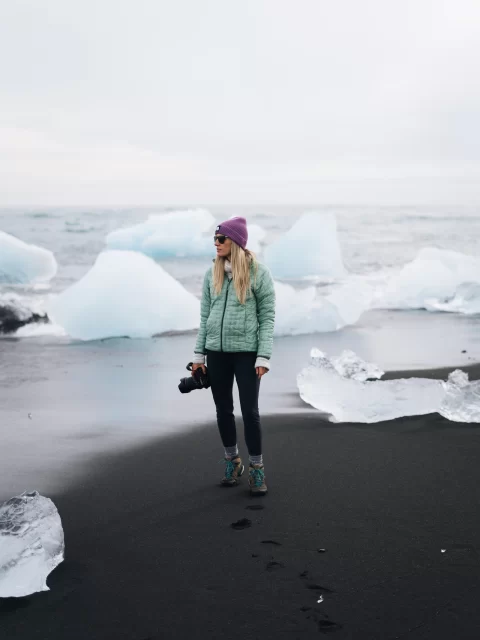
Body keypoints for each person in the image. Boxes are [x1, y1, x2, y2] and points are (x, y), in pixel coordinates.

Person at [192, 216, 275, 496]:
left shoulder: (258, 273)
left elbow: (267, 317)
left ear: (235, 242)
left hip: (247, 354)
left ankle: (257, 468)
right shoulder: (211, 274)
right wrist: (198, 356)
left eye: (221, 239)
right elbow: (205, 317)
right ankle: (232, 461)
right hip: (216, 353)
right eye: (215, 239)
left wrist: (263, 356)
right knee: (223, 411)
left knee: (250, 412)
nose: (216, 244)